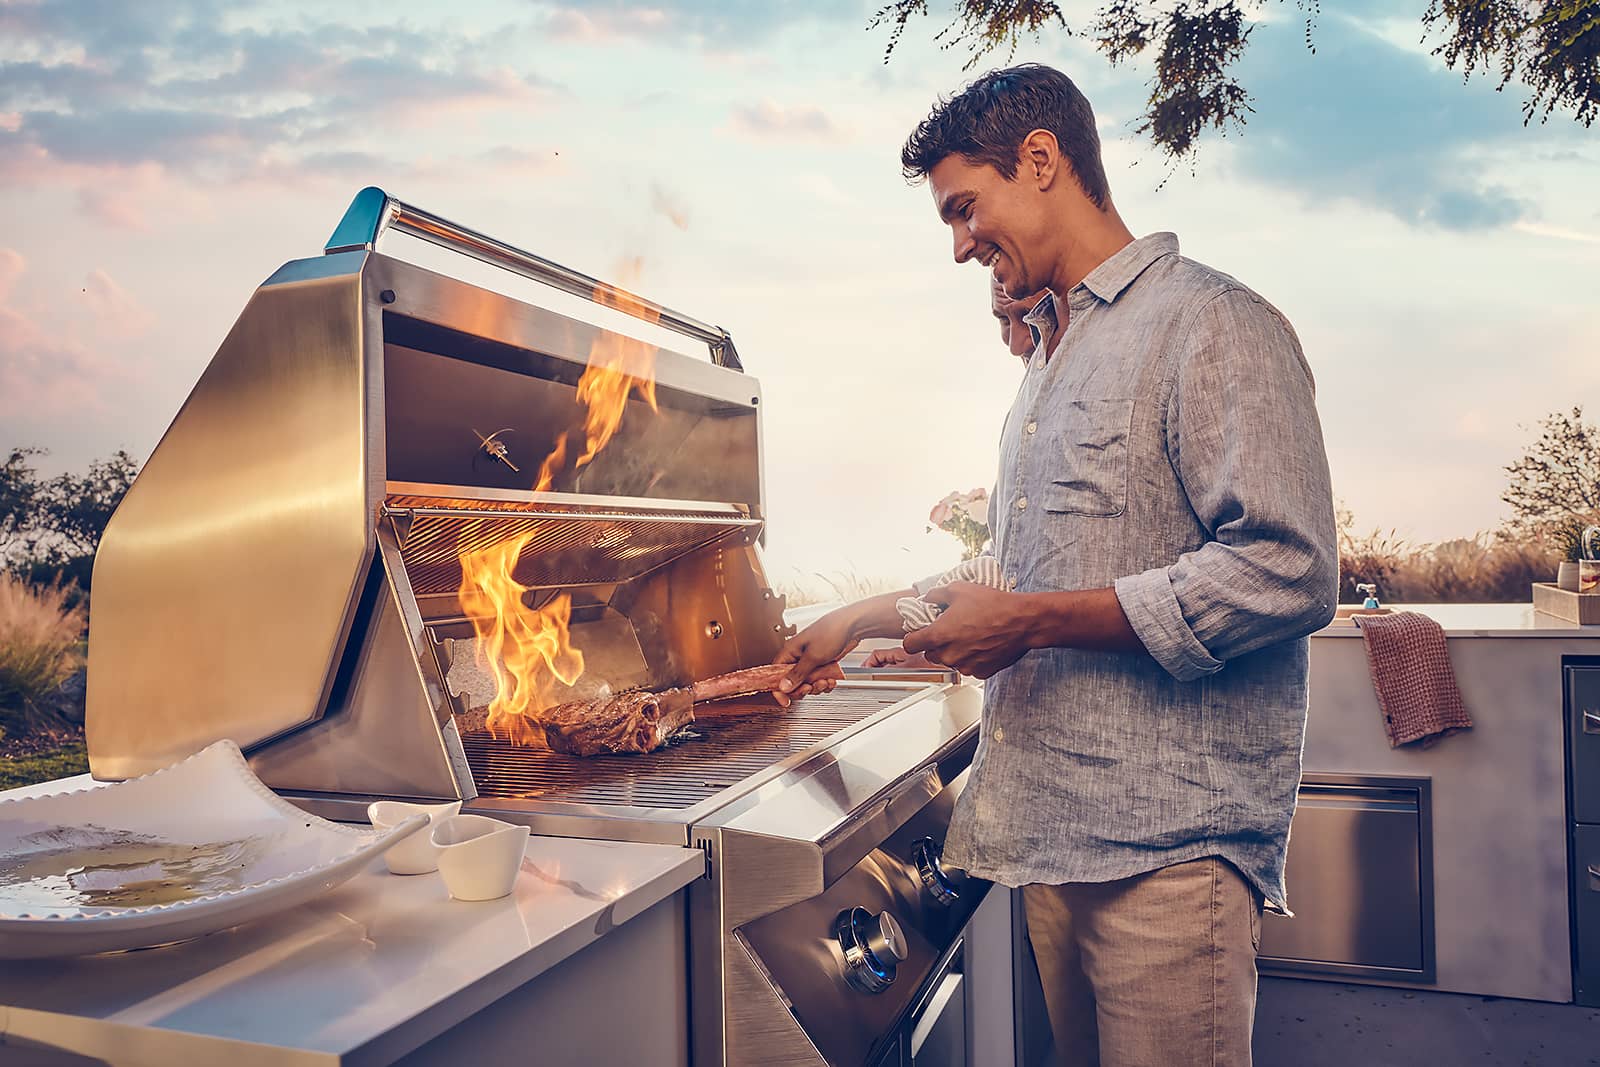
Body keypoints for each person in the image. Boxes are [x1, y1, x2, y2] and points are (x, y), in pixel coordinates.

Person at [777, 63, 1337, 1065]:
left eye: (963, 208)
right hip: (1050, 833)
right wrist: (866, 612)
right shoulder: (1048, 356)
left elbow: (1285, 568)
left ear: (1039, 160)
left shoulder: (1210, 323)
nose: (958, 246)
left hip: (1167, 853)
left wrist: (1029, 623)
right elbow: (1028, 566)